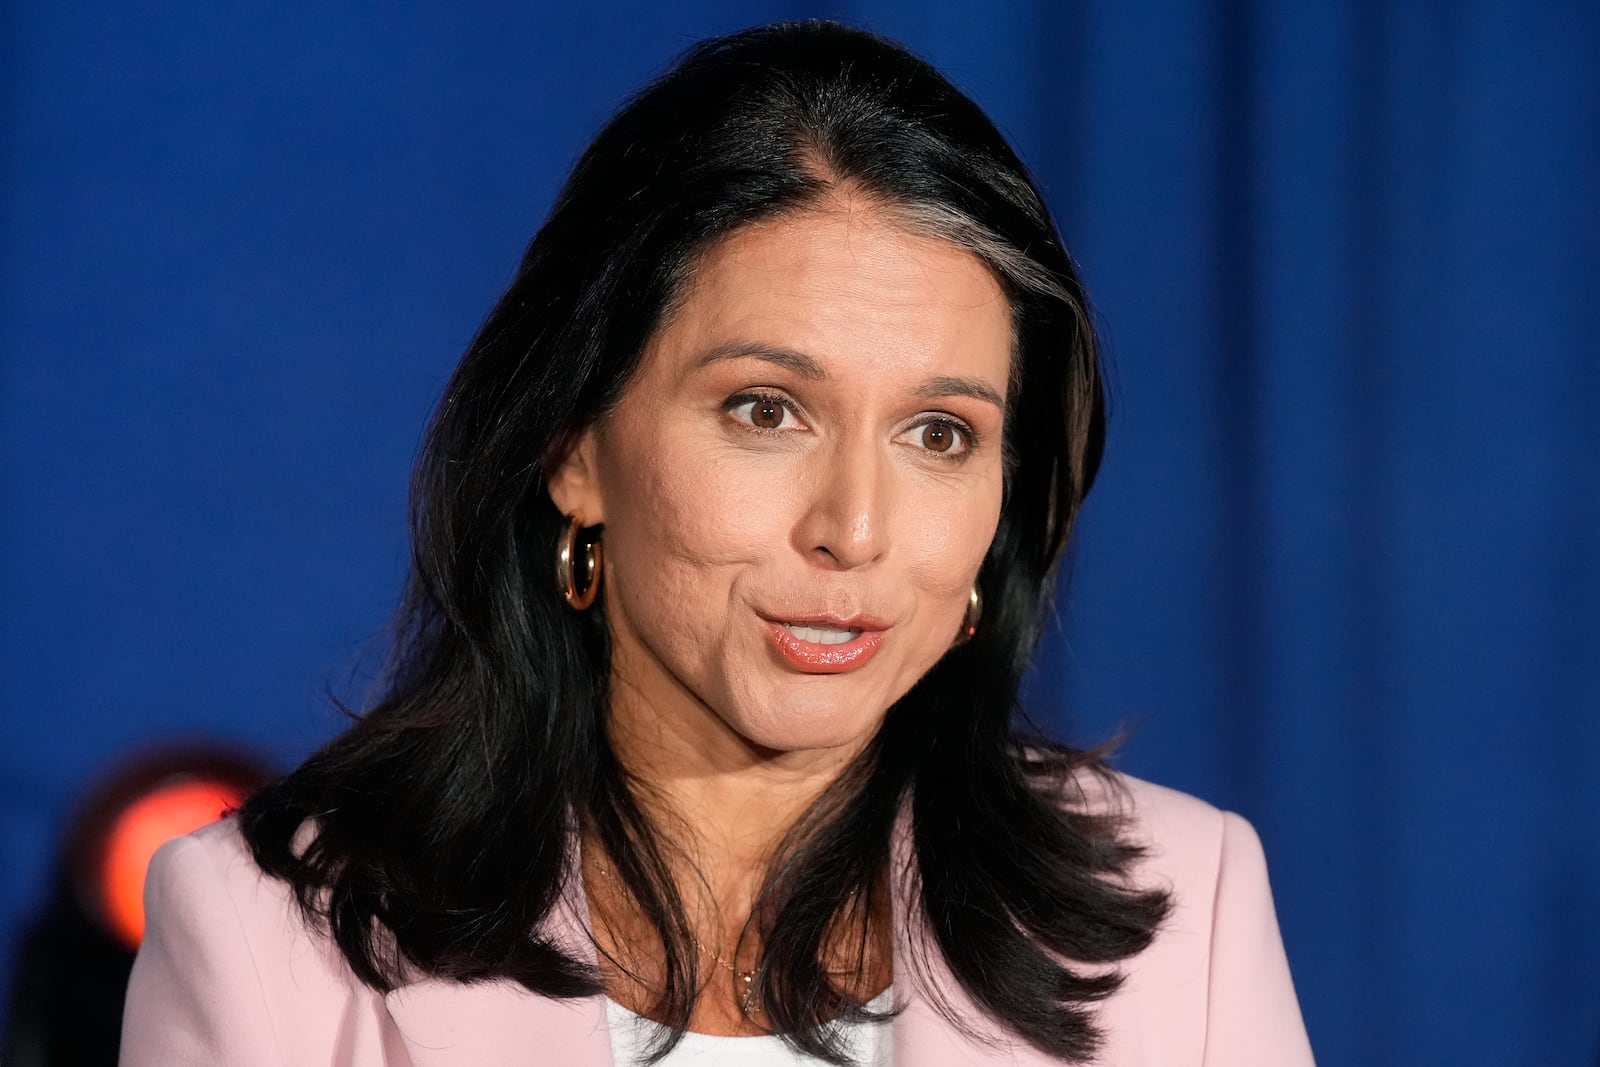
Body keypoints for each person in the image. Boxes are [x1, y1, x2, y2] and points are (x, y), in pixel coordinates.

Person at [120, 20, 1314, 1067]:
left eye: (939, 433)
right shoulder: (263, 934)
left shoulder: (1182, 904)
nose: (852, 528)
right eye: (764, 410)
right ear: (574, 446)